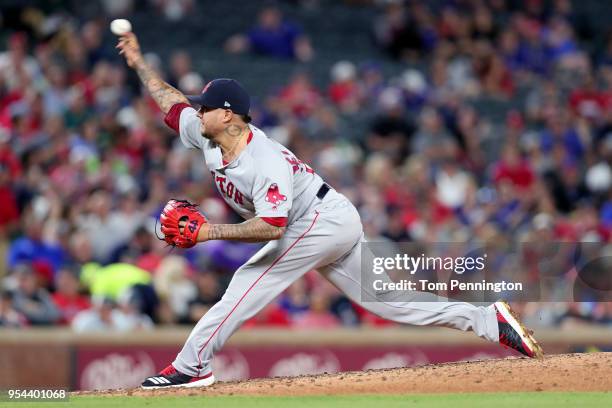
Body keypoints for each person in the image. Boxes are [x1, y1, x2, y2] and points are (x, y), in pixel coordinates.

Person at [116, 31, 543, 389]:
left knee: (250, 278)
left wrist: (209, 233)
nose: (197, 110)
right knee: (388, 302)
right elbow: (170, 103)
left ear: (229, 116)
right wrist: (138, 62)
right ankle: (489, 320)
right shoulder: (208, 135)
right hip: (325, 218)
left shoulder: (262, 161)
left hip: (319, 219)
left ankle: (190, 367)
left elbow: (271, 227)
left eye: (205, 106)